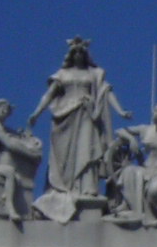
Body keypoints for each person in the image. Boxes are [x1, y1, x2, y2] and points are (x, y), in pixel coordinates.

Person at [28, 37, 130, 218]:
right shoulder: (61, 74)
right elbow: (49, 95)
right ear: (70, 55)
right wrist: (36, 113)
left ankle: (87, 189)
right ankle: (61, 190)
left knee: (87, 151)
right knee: (62, 157)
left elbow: (106, 92)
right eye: (75, 52)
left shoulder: (94, 74)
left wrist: (121, 111)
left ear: (85, 55)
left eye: (81, 52)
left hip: (87, 115)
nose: (78, 56)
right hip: (64, 117)